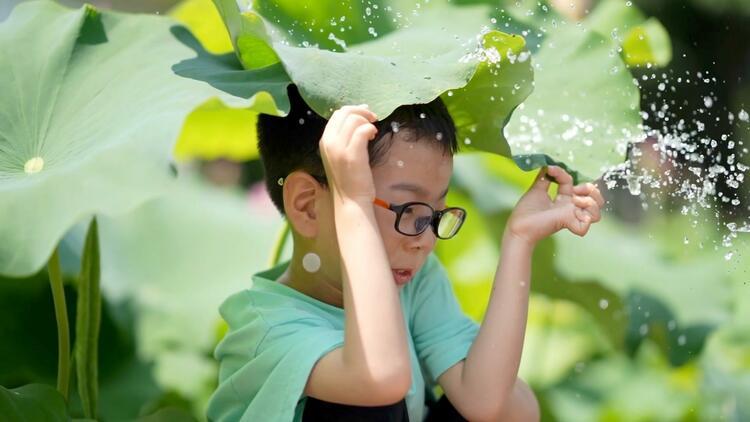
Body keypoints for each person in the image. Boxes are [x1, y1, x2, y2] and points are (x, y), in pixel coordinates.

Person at [206, 85, 604, 421]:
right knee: (370, 400)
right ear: (309, 205)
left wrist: (520, 240)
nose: (425, 240)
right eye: (408, 211)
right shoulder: (267, 330)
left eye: (434, 214)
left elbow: (493, 405)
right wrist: (352, 202)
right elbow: (379, 377)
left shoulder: (415, 282)